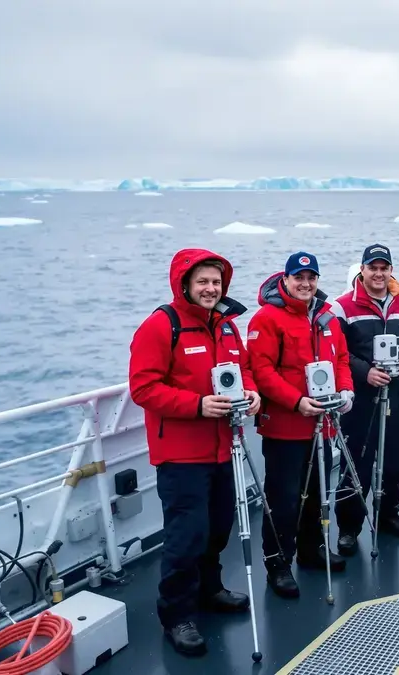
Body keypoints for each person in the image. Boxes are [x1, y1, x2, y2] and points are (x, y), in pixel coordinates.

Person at [128, 248, 259, 656]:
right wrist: (197, 405)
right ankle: (176, 614)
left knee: (218, 526)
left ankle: (210, 589)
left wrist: (252, 393)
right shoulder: (160, 326)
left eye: (216, 282)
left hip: (224, 449)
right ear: (184, 284)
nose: (210, 288)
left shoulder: (226, 326)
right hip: (182, 455)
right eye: (202, 281)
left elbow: (244, 369)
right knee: (187, 536)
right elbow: (143, 388)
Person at [247, 251, 355, 599]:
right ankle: (278, 563)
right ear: (287, 279)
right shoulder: (267, 319)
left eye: (311, 278)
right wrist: (296, 402)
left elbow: (340, 357)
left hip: (322, 424)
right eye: (299, 278)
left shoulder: (327, 317)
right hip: (286, 427)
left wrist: (347, 389)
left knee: (316, 493)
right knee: (284, 497)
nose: (306, 284)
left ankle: (311, 550)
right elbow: (262, 371)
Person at [330, 244, 399, 554]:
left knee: (393, 464)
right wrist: (365, 373)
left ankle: (388, 515)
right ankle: (349, 527)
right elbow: (336, 353)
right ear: (362, 270)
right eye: (372, 267)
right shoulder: (342, 307)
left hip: (398, 399)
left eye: (383, 267)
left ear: (390, 270)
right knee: (356, 465)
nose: (378, 273)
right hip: (360, 403)